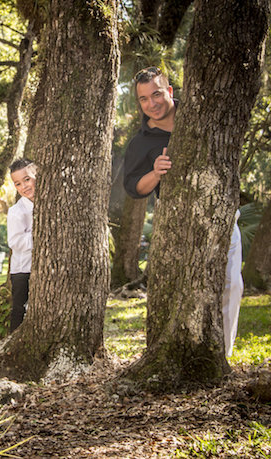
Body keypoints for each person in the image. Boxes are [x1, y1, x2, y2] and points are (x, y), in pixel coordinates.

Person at [123, 66, 243, 357]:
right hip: (177, 222)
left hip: (221, 214)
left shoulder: (199, 115)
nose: (152, 104)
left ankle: (221, 356)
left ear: (170, 92)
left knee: (232, 285)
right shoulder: (141, 142)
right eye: (143, 99)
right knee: (183, 292)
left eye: (157, 94)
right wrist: (155, 174)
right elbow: (131, 186)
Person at [7, 158, 36, 332]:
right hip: (22, 269)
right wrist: (38, 236)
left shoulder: (48, 203)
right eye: (18, 184)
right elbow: (15, 241)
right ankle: (13, 338)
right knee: (20, 308)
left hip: (40, 267)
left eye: (27, 179)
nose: (24, 186)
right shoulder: (17, 211)